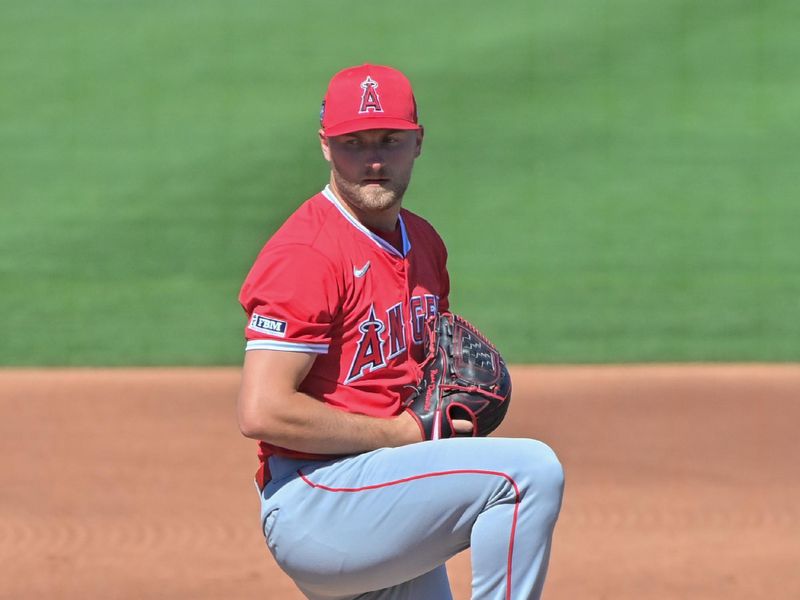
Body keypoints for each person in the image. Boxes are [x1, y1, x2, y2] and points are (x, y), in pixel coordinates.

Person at [237, 63, 564, 600]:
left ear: (417, 142)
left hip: (387, 491)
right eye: (353, 143)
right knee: (526, 474)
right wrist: (403, 433)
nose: (373, 160)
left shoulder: (426, 245)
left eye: (389, 140)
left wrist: (431, 434)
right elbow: (262, 411)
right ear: (325, 146)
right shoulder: (306, 254)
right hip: (317, 500)